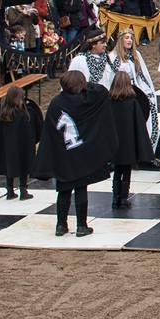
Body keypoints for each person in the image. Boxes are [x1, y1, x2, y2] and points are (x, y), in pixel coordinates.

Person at [34, 70, 117, 237]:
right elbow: (101, 90)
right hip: (82, 154)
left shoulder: (56, 103)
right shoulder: (87, 101)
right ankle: (81, 226)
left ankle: (60, 225)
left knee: (63, 190)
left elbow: (50, 131)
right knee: (81, 189)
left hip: (64, 153)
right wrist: (86, 85)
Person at [106, 71, 155, 210]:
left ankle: (115, 198)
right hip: (128, 144)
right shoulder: (132, 103)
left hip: (115, 144)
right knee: (126, 171)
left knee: (117, 171)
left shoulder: (109, 102)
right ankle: (124, 198)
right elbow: (139, 124)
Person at [0, 85, 41, 201]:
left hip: (9, 147)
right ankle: (23, 190)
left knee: (10, 166)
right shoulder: (25, 114)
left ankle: (10, 191)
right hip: (23, 147)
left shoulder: (4, 114)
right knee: (24, 166)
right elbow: (33, 129)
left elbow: (1, 136)